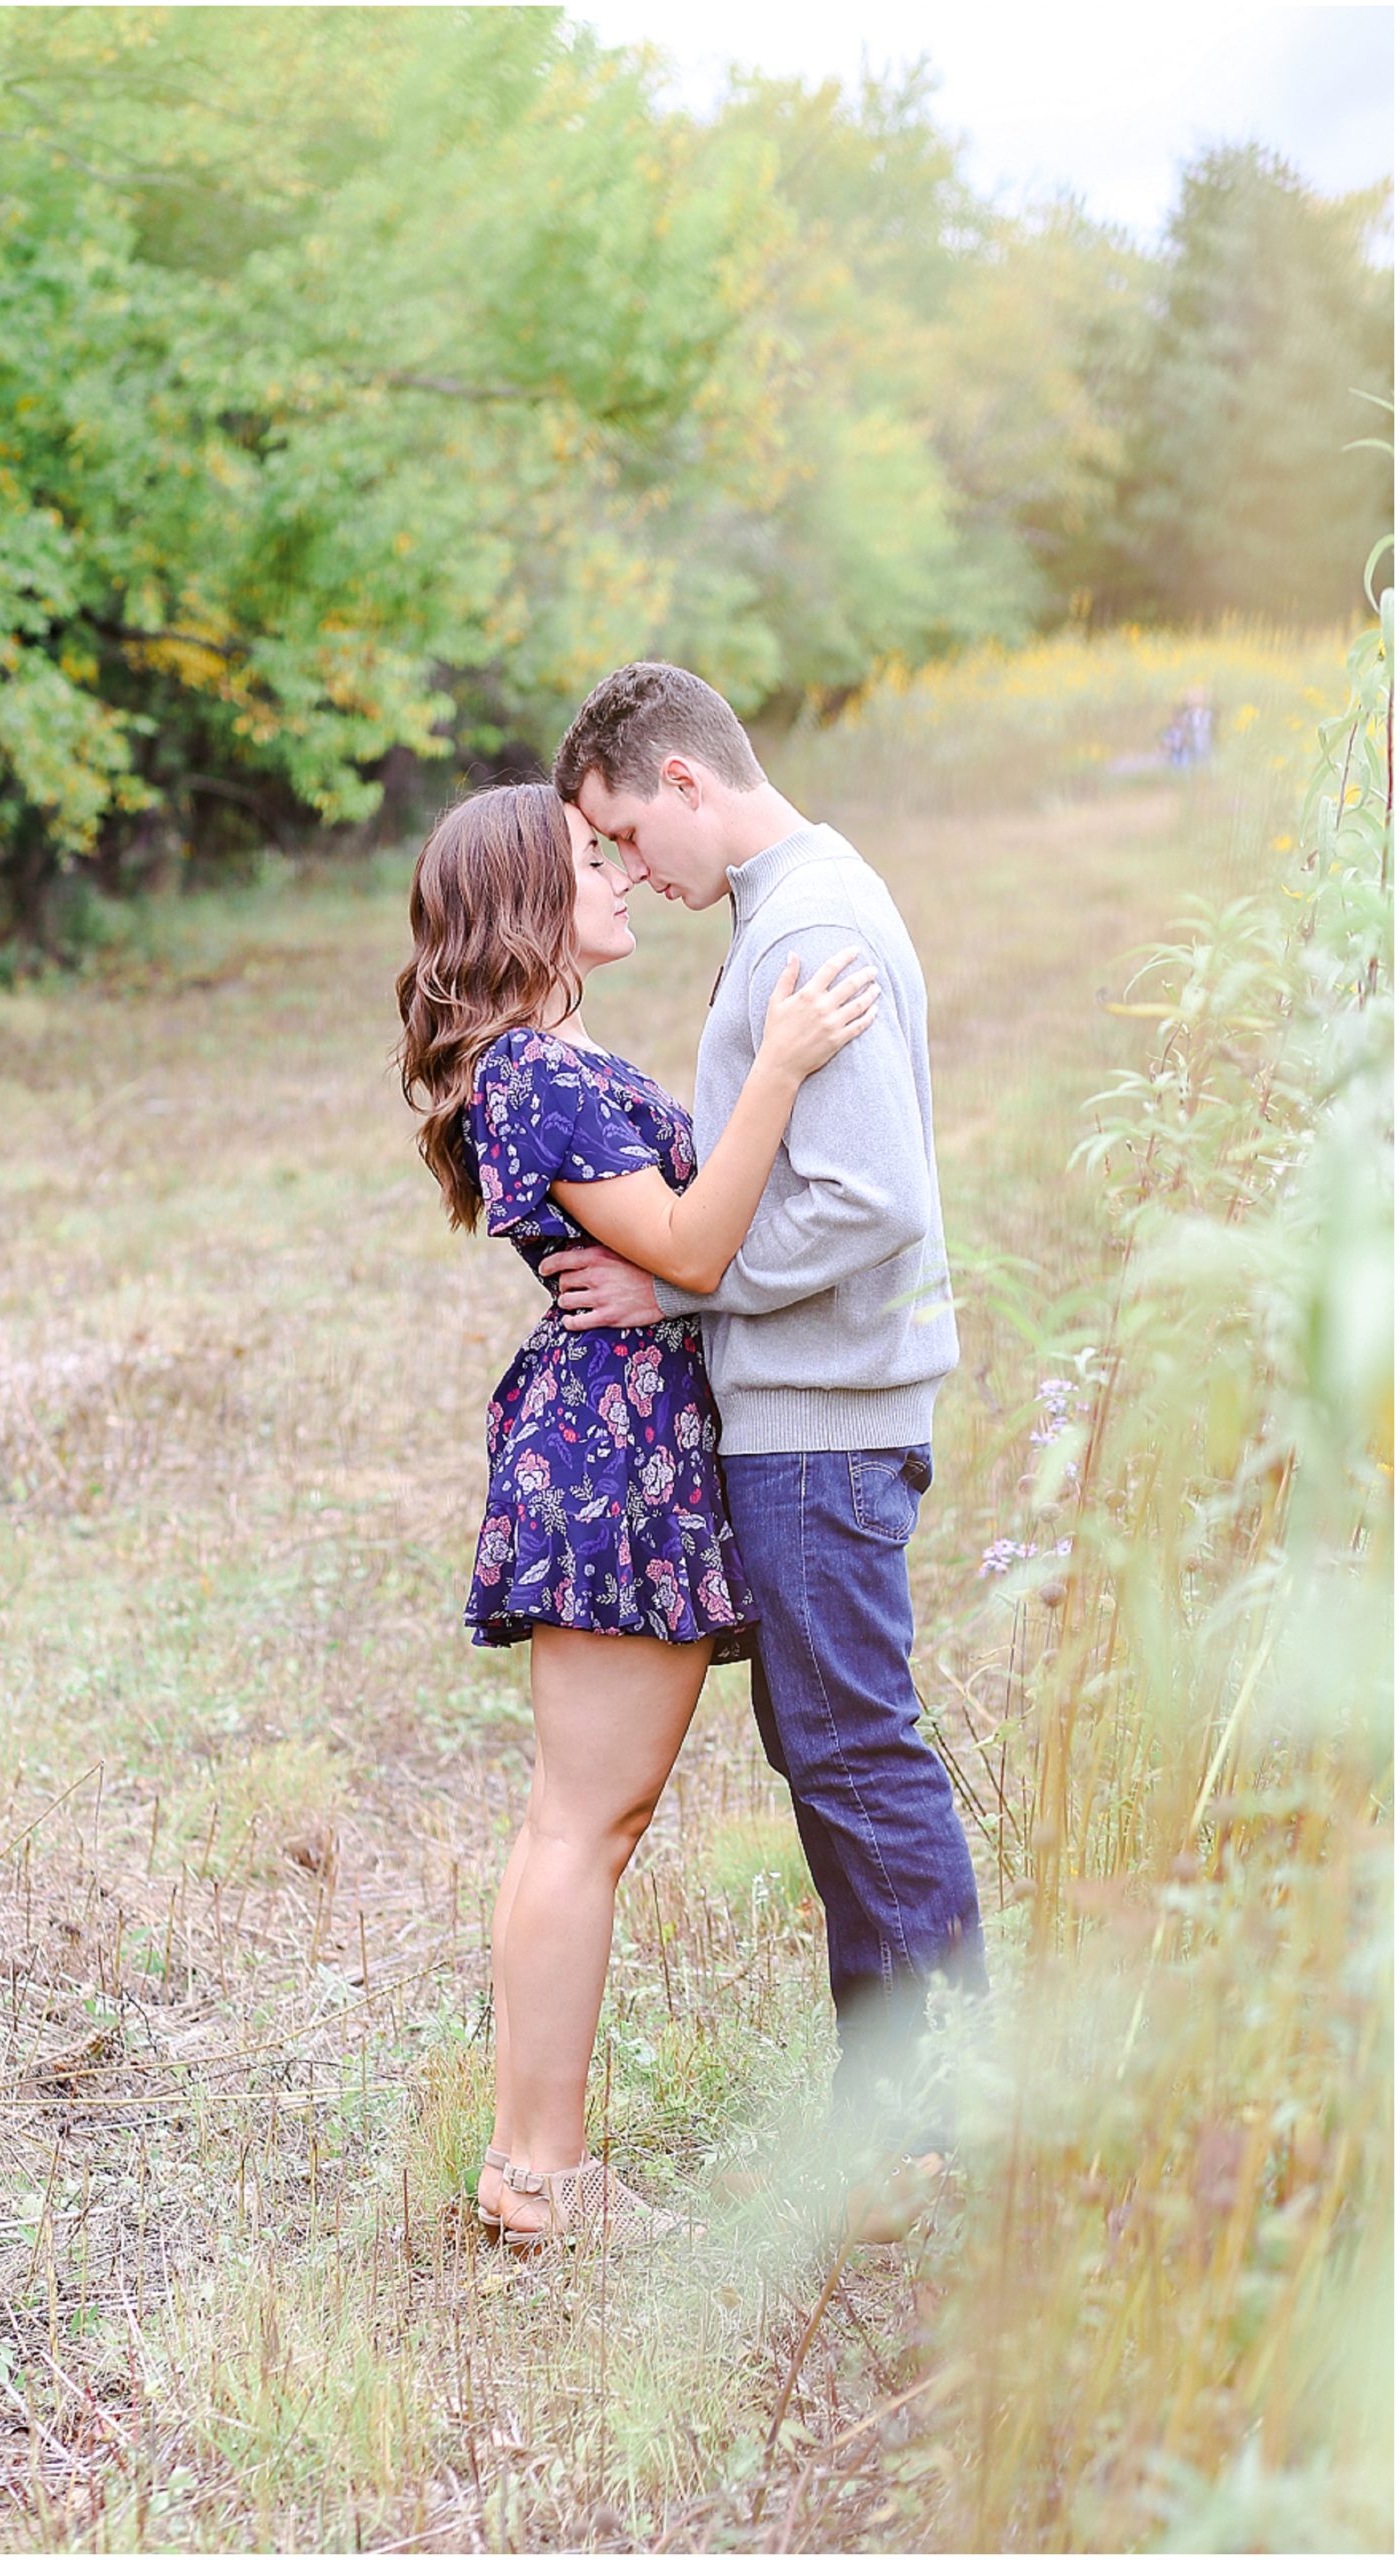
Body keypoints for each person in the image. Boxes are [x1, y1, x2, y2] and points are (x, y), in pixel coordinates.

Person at [396, 781, 878, 2248]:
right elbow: (688, 1236)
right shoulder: (530, 1072)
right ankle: (537, 2178)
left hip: (630, 1427)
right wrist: (779, 1072)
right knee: (581, 1824)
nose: (614, 874)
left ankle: (537, 2170)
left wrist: (666, 1276)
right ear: (527, 907)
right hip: (609, 1446)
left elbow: (661, 1258)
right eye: (585, 860)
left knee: (596, 1819)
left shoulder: (557, 1057)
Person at [545, 662, 988, 2184]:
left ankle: (929, 2124)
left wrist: (678, 1291)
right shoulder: (791, 906)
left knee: (854, 1753)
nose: (624, 873)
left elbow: (868, 1201)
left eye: (620, 833)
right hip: (809, 1408)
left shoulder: (806, 921)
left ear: (681, 781)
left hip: (821, 1420)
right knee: (831, 1746)